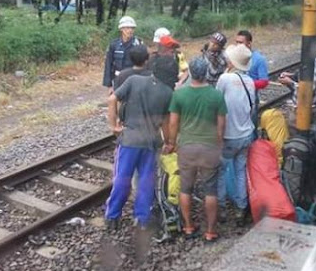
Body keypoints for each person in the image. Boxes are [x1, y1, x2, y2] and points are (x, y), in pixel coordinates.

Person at [104, 49, 174, 231]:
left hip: (129, 140)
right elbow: (166, 122)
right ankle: (142, 218)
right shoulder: (168, 93)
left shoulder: (134, 81)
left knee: (122, 178)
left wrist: (113, 126)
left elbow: (112, 99)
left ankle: (112, 217)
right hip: (150, 142)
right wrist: (169, 142)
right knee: (146, 180)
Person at [168, 57, 227, 243]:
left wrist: (172, 142)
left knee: (185, 188)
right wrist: (219, 142)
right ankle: (210, 231)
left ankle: (188, 227)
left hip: (187, 147)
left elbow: (173, 122)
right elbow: (221, 124)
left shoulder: (179, 95)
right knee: (211, 190)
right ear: (206, 73)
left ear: (191, 73)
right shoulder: (216, 95)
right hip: (210, 148)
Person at [215, 44, 255, 226]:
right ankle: (241, 208)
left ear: (231, 61)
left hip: (229, 136)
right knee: (240, 171)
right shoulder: (250, 81)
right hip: (246, 134)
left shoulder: (225, 78)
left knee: (221, 171)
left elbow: (215, 102)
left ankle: (221, 209)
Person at [278, 34, 316, 127]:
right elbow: (307, 78)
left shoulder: (314, 63)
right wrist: (291, 75)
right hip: (311, 106)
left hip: (306, 108)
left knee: (297, 132)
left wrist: (290, 82)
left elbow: (308, 90)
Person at [102, 16, 143, 94]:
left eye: (132, 28)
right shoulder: (114, 44)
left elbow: (143, 64)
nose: (130, 30)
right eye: (127, 28)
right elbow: (108, 65)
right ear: (121, 29)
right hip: (118, 79)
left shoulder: (138, 44)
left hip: (134, 79)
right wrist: (109, 85)